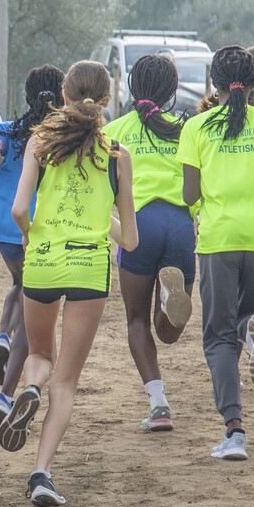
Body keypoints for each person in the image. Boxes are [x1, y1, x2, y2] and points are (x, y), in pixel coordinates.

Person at [0, 61, 138, 507]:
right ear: (106, 102)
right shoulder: (117, 154)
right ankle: (41, 473)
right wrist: (104, 220)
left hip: (41, 262)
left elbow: (20, 208)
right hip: (88, 269)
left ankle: (29, 389)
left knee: (39, 355)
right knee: (68, 382)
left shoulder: (40, 142)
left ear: (62, 96)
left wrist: (29, 232)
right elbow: (131, 241)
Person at [179, 45, 254, 461]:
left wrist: (199, 207)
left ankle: (234, 431)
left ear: (214, 83)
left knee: (217, 336)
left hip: (218, 239)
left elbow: (189, 192)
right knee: (250, 316)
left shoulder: (196, 128)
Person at [103, 53, 195, 432]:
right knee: (167, 332)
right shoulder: (187, 129)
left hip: (138, 225)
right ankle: (168, 304)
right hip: (180, 224)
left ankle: (158, 404)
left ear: (131, 85)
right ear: (172, 90)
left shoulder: (116, 131)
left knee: (136, 321)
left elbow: (105, 185)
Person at [0, 66, 62, 426]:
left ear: (27, 96)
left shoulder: (7, 130)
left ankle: (1, 335)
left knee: (18, 283)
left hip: (1, 222)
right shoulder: (57, 138)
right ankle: (5, 395)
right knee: (35, 306)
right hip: (35, 226)